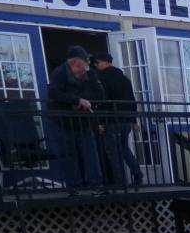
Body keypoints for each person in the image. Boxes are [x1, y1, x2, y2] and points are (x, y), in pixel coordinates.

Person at [47, 46, 105, 190]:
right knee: (68, 155)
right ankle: (74, 187)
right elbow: (54, 93)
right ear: (74, 62)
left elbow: (100, 94)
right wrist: (76, 100)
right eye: (85, 61)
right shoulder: (60, 73)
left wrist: (86, 101)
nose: (88, 64)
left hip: (83, 122)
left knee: (91, 153)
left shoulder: (89, 75)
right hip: (63, 122)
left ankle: (96, 185)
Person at [92, 52, 142, 187]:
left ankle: (119, 183)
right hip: (125, 120)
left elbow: (102, 101)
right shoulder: (124, 79)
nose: (96, 66)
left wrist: (100, 121)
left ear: (104, 62)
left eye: (97, 63)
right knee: (124, 148)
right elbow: (132, 100)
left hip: (111, 120)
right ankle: (137, 172)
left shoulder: (102, 78)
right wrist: (133, 120)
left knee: (113, 152)